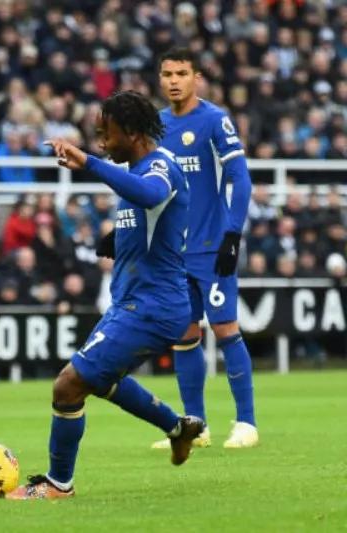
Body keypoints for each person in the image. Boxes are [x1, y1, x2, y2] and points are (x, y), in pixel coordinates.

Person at [7, 91, 204, 500]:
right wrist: (121, 239)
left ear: (131, 132)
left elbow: (152, 195)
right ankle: (177, 428)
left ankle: (59, 485)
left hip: (152, 306)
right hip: (133, 302)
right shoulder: (136, 167)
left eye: (106, 134)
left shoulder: (161, 166)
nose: (101, 143)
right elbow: (154, 216)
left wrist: (88, 163)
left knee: (68, 386)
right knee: (103, 381)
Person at [152, 47, 257, 449]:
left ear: (197, 77)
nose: (174, 81)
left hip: (212, 247)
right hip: (171, 252)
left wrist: (233, 234)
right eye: (167, 74)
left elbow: (240, 178)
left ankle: (246, 423)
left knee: (226, 328)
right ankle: (196, 426)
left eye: (181, 73)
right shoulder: (157, 126)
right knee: (184, 335)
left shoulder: (214, 120)